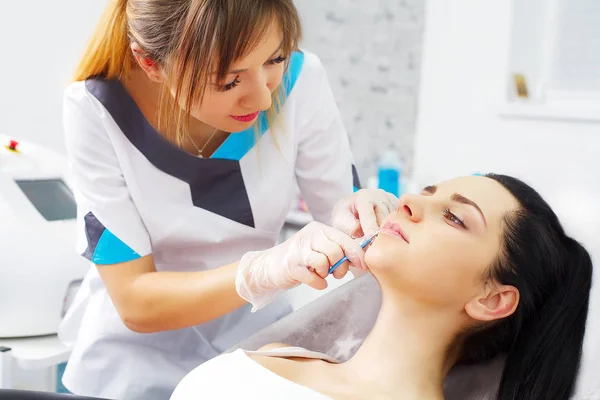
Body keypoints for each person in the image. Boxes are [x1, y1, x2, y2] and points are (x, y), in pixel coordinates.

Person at [57, 0, 398, 398]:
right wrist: (259, 272)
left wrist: (359, 216)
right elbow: (136, 301)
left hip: (255, 356)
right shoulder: (96, 110)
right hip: (129, 368)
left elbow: (346, 221)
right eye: (228, 81)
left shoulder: (301, 80)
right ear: (150, 63)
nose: (263, 100)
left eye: (275, 59)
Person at [170, 174, 594, 400]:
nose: (408, 200)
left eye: (454, 217)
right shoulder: (264, 361)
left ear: (493, 298)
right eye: (427, 191)